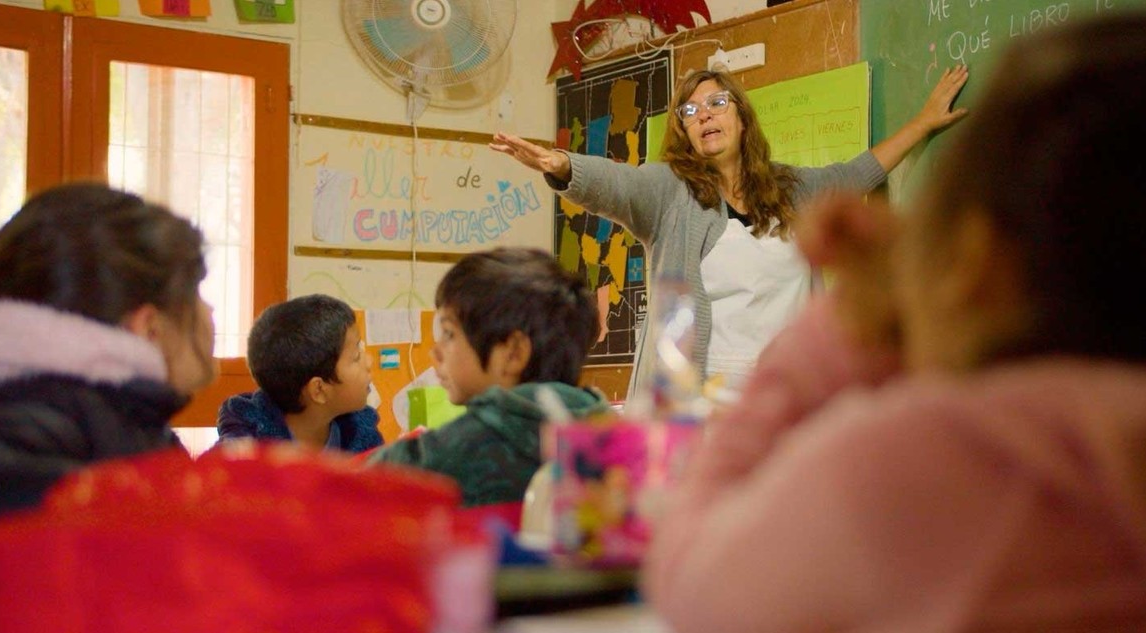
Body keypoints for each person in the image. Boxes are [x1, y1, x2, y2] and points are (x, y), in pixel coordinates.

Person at [643, 14, 1146, 633]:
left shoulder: (915, 456)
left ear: (972, 263)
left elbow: (696, 586)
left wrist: (833, 338)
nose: (704, 115)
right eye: (692, 108)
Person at [491, 66, 968, 394]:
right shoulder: (669, 193)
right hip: (704, 399)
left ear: (741, 117)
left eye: (716, 103)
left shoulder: (791, 190)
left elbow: (856, 174)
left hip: (792, 392)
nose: (705, 116)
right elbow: (618, 184)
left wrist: (923, 123)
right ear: (685, 132)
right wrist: (562, 166)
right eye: (691, 112)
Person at [0, 182, 215, 523]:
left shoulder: (100, 429)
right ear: (149, 327)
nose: (210, 310)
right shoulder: (56, 485)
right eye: (196, 293)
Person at [366, 247, 609, 507]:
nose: (436, 351)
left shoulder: (471, 442)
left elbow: (358, 486)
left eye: (449, 333)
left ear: (513, 354)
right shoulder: (609, 433)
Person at [215, 294, 384, 454]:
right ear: (318, 390)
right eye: (356, 357)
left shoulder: (364, 435)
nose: (369, 362)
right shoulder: (244, 448)